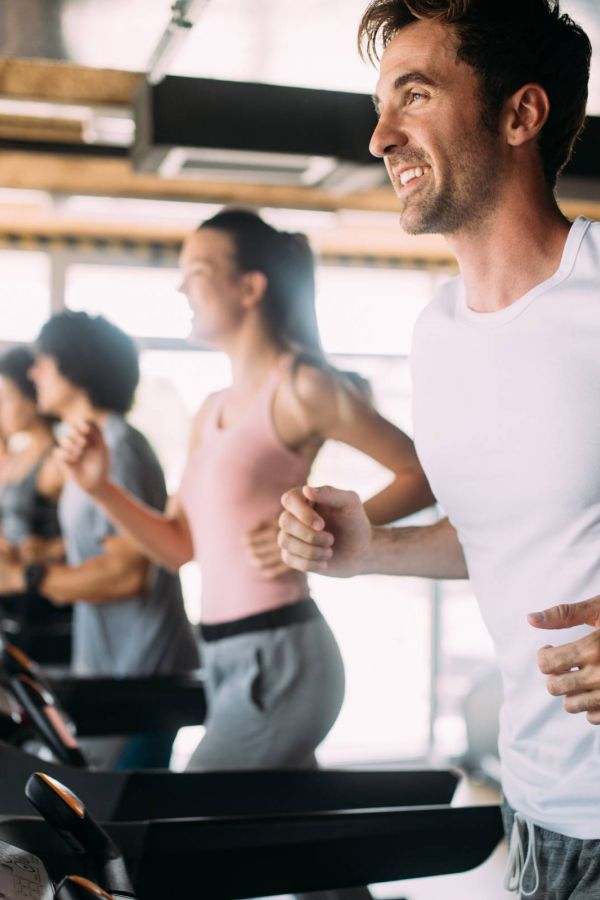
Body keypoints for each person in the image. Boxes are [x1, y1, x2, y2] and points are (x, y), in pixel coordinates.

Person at [276, 2, 600, 898]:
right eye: (381, 104)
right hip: (537, 807)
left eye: (413, 97)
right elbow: (507, 535)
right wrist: (371, 548)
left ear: (520, 115)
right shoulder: (438, 333)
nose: (381, 136)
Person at [55, 208, 434, 779]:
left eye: (198, 271)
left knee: (193, 822)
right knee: (279, 843)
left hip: (280, 655)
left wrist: (327, 532)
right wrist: (100, 488)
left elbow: (421, 474)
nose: (182, 286)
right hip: (224, 655)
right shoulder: (209, 411)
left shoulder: (301, 387)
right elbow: (179, 547)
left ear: (250, 287)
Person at [0, 313, 199, 769]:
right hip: (110, 666)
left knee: (120, 816)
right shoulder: (88, 445)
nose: (34, 375)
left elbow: (127, 574)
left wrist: (23, 577)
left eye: (43, 363)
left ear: (75, 366)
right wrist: (42, 552)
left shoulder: (119, 447)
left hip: (140, 675)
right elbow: (100, 540)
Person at [0, 346, 70, 664]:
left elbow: (88, 538)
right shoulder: (17, 458)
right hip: (15, 603)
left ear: (29, 401)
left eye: (6, 398)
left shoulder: (57, 459)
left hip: (46, 607)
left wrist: (46, 550)